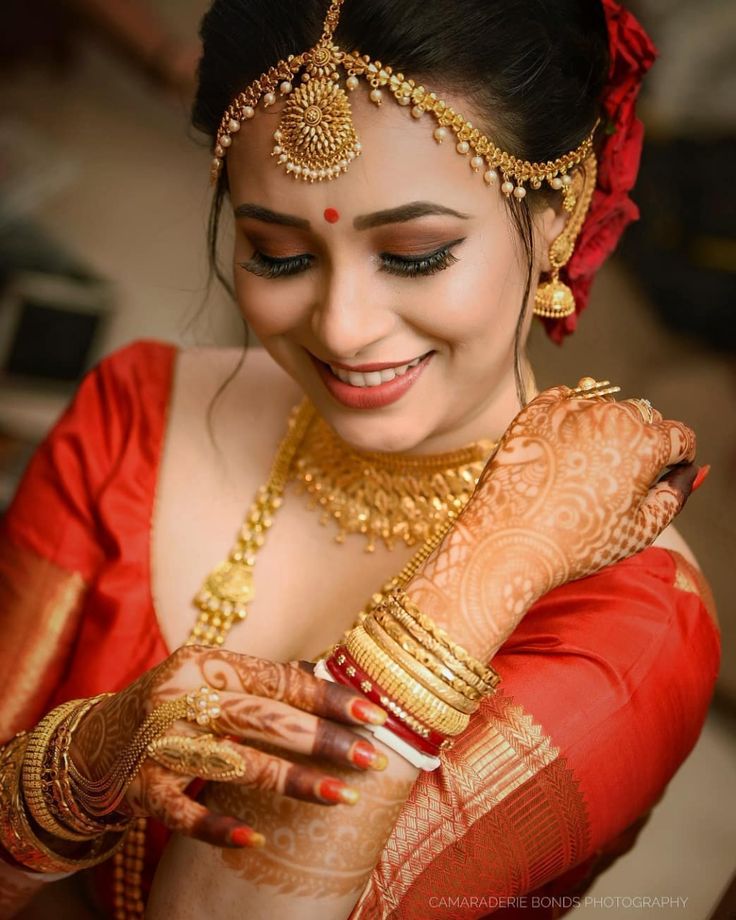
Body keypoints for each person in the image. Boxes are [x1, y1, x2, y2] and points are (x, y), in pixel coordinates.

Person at [0, 1, 721, 918]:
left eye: (416, 255)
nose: (342, 326)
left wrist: (478, 576)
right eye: (278, 252)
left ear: (560, 212)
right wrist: (84, 765)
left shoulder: (637, 622)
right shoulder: (137, 410)